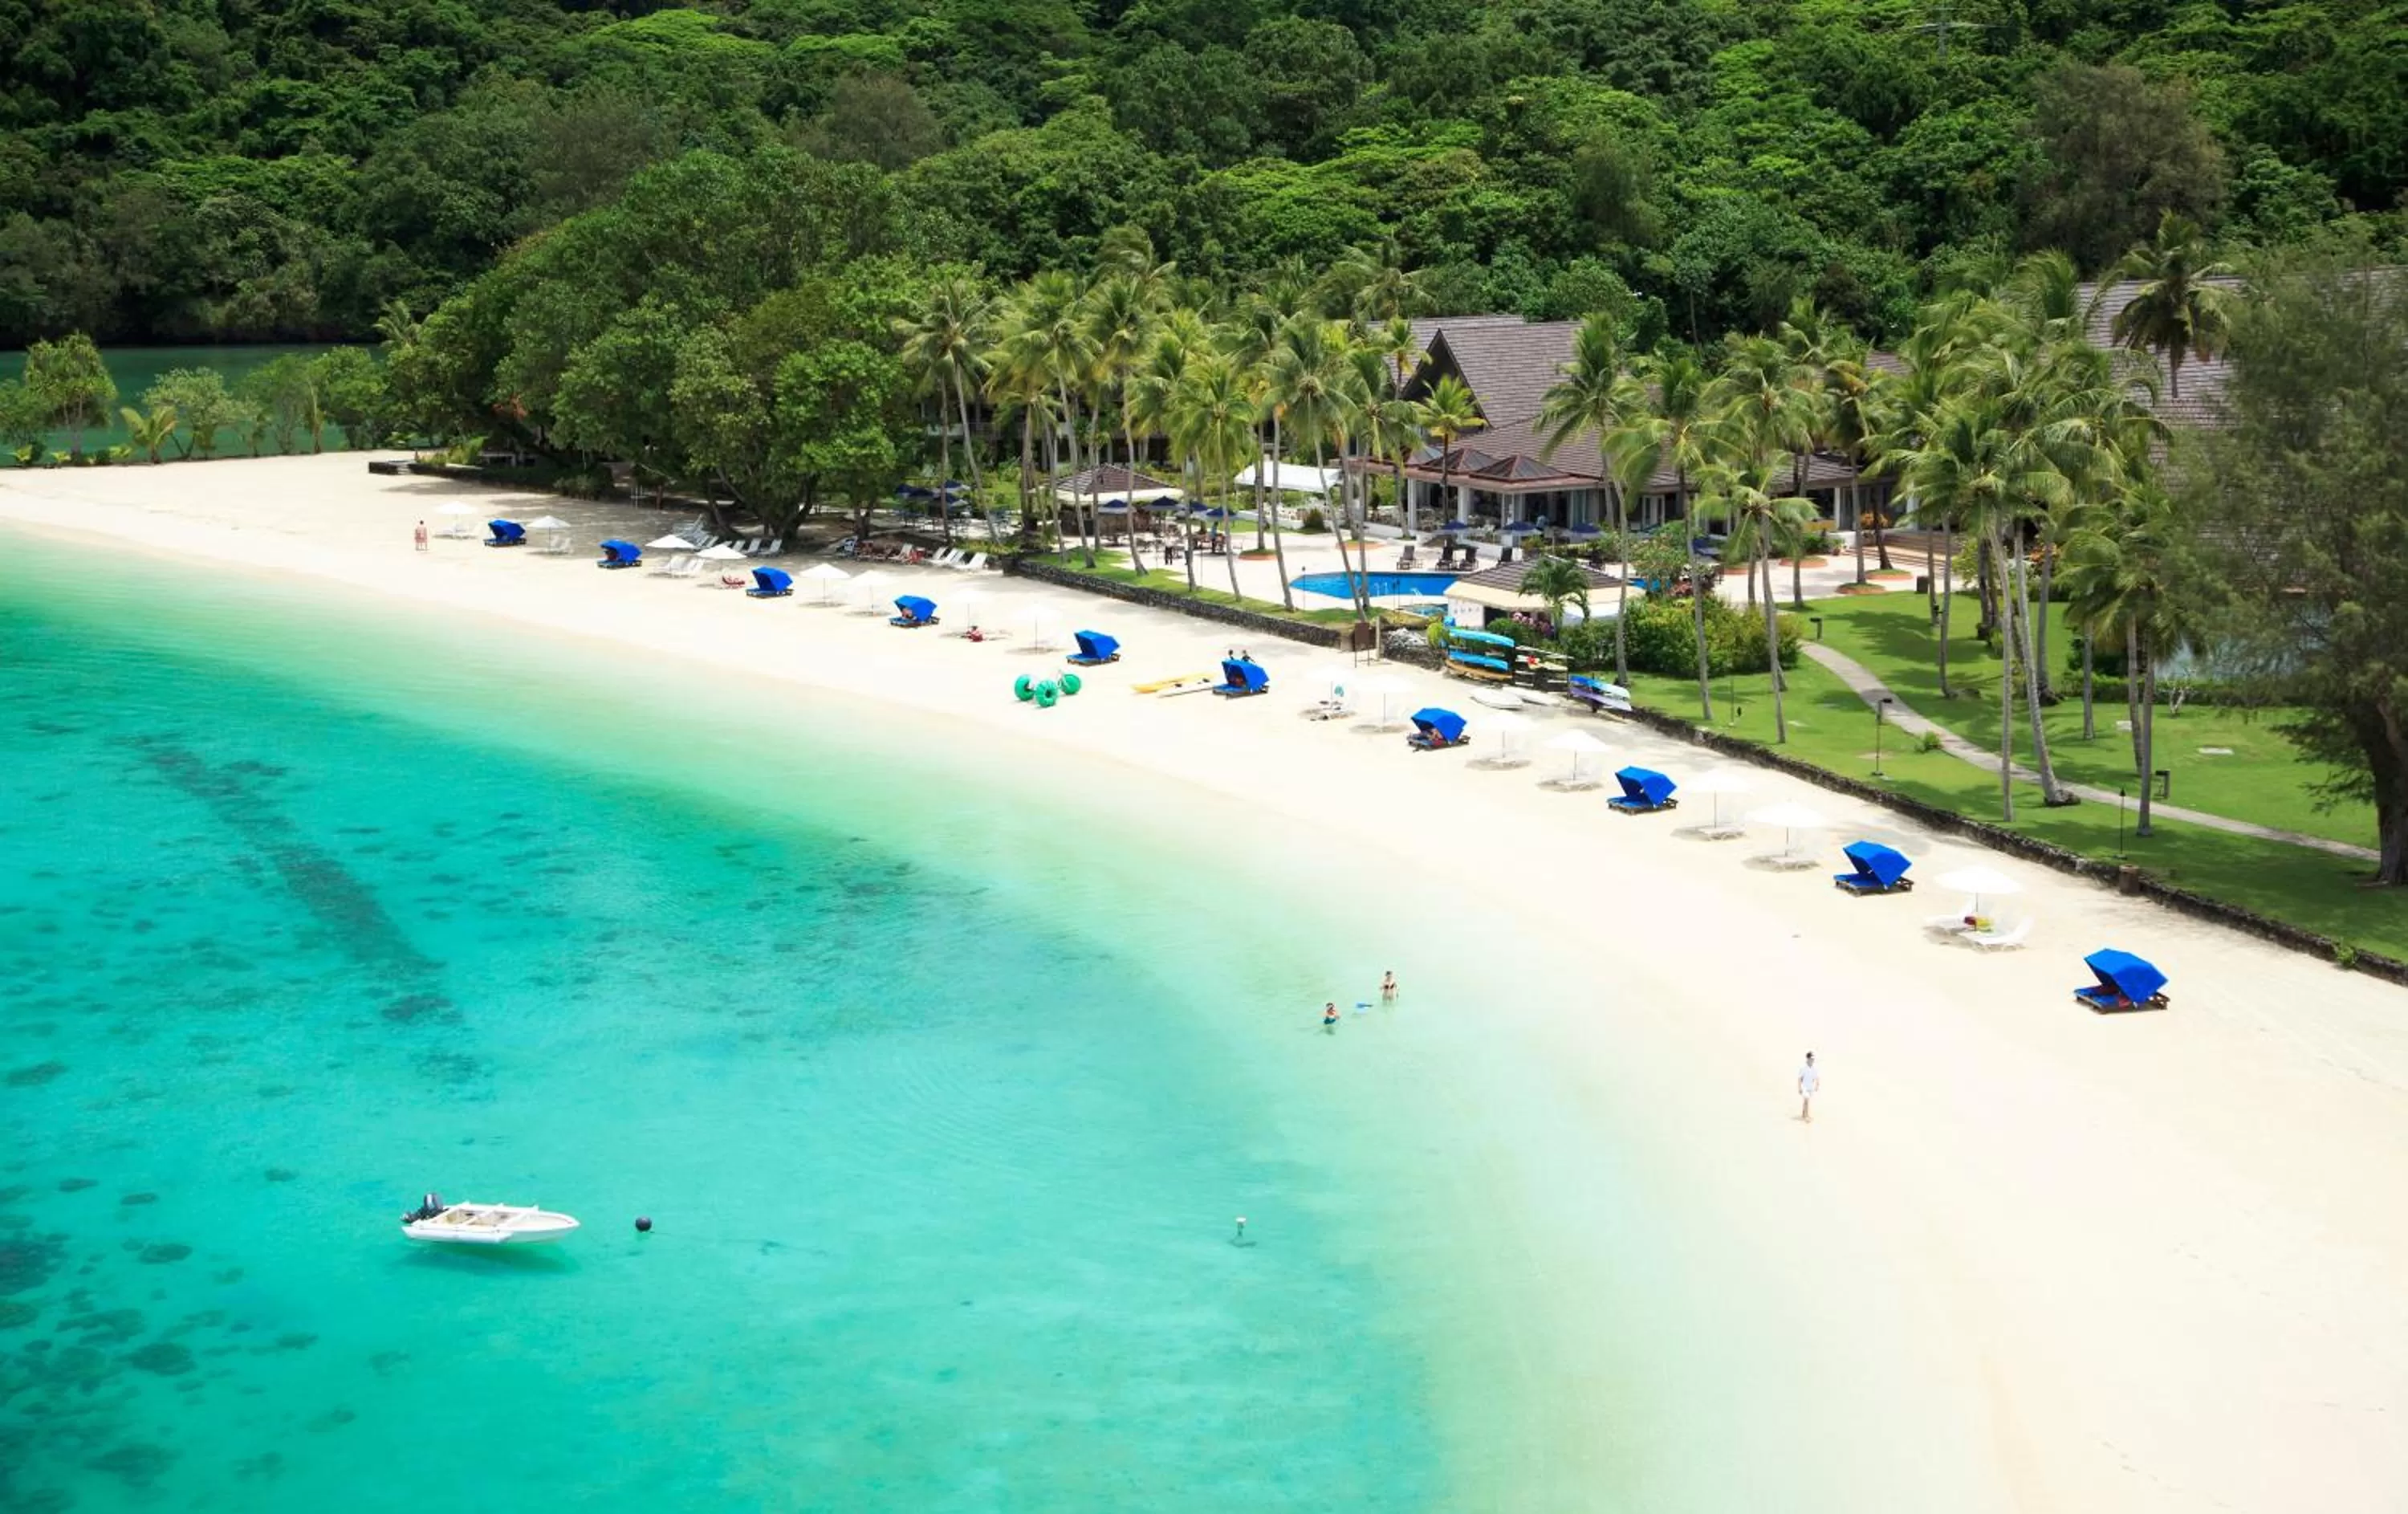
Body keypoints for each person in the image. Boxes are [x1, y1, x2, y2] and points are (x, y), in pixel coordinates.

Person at [1797, 1052, 1820, 1123]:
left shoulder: (1814, 1069)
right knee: (1806, 1100)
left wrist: (1817, 1085)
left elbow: (1817, 1078)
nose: (1812, 1060)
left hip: (1811, 1087)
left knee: (1806, 1101)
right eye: (1811, 1059)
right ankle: (1807, 1116)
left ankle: (1803, 1114)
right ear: (1808, 1059)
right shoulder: (1803, 1068)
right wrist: (1799, 1088)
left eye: (1813, 1059)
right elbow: (1799, 1078)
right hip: (1804, 1087)